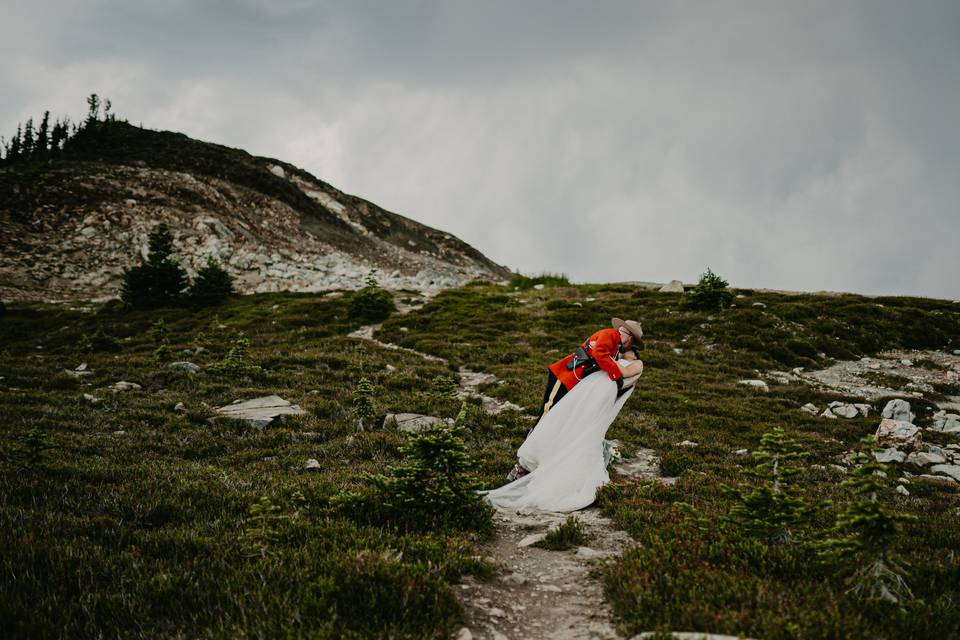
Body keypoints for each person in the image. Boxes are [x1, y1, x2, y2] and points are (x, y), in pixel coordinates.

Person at [481, 346, 644, 513]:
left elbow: (623, 372)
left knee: (584, 432)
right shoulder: (616, 357)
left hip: (601, 393)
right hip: (590, 389)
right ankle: (541, 464)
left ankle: (563, 475)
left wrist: (604, 358)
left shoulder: (637, 363)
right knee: (566, 423)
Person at [506, 317, 643, 481]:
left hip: (575, 383)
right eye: (632, 341)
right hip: (564, 376)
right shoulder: (611, 335)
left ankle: (539, 458)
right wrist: (616, 375)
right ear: (627, 335)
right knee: (547, 414)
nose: (630, 346)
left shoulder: (616, 347)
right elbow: (600, 354)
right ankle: (525, 462)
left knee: (559, 418)